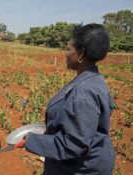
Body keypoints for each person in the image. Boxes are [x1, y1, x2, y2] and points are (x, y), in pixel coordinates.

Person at [16, 24, 115, 175]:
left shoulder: (84, 91)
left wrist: (30, 140)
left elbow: (73, 144)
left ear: (81, 53)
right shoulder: (95, 79)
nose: (65, 54)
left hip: (82, 168)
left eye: (69, 49)